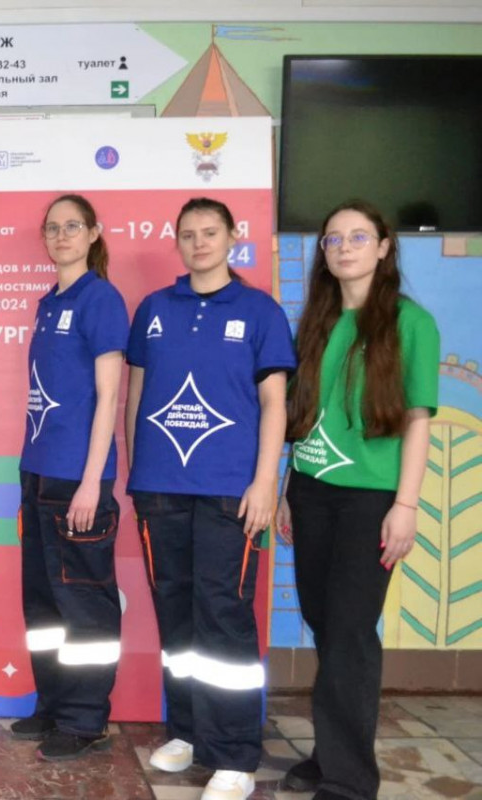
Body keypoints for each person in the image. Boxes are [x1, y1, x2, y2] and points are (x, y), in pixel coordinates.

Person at [125, 198, 294, 800]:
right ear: (177, 241)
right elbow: (136, 394)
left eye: (210, 232)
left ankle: (235, 754)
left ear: (232, 237)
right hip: (159, 491)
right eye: (189, 234)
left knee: (224, 618)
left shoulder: (260, 311)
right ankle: (189, 733)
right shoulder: (153, 309)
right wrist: (138, 469)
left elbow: (275, 402)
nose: (199, 243)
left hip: (230, 493)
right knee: (176, 613)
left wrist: (265, 482)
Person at [276, 201, 438, 800]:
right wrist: (288, 490)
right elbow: (303, 417)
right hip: (311, 492)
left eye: (358, 237)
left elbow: (418, 420)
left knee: (349, 632)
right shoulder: (316, 322)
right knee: (325, 623)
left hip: (371, 500)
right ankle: (330, 754)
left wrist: (406, 505)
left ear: (385, 247)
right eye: (333, 239)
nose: (344, 247)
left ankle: (349, 780)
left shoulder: (410, 322)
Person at [15, 194, 129, 761]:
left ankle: (85, 721)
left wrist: (92, 482)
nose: (62, 236)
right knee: (43, 605)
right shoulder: (49, 302)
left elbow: (109, 396)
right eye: (53, 228)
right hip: (37, 473)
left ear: (93, 233)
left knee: (84, 606)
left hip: (77, 481)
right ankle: (53, 704)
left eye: (73, 226)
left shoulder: (100, 298)